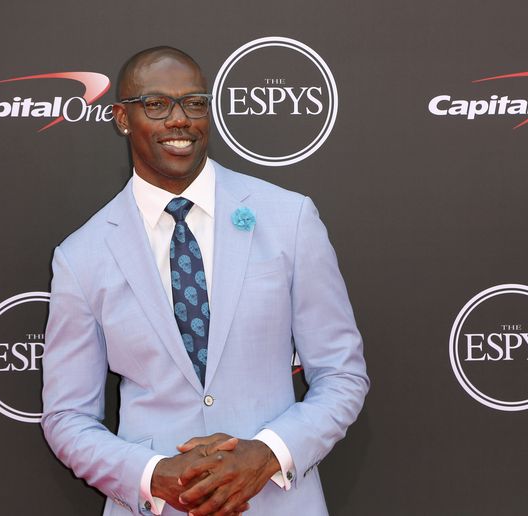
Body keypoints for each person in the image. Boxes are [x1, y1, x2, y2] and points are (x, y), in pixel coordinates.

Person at [41, 46, 368, 516]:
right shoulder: (82, 255)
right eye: (156, 105)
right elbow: (68, 417)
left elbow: (342, 374)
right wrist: (151, 475)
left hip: (276, 503)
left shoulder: (289, 218)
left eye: (193, 103)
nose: (180, 120)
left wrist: (269, 454)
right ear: (121, 118)